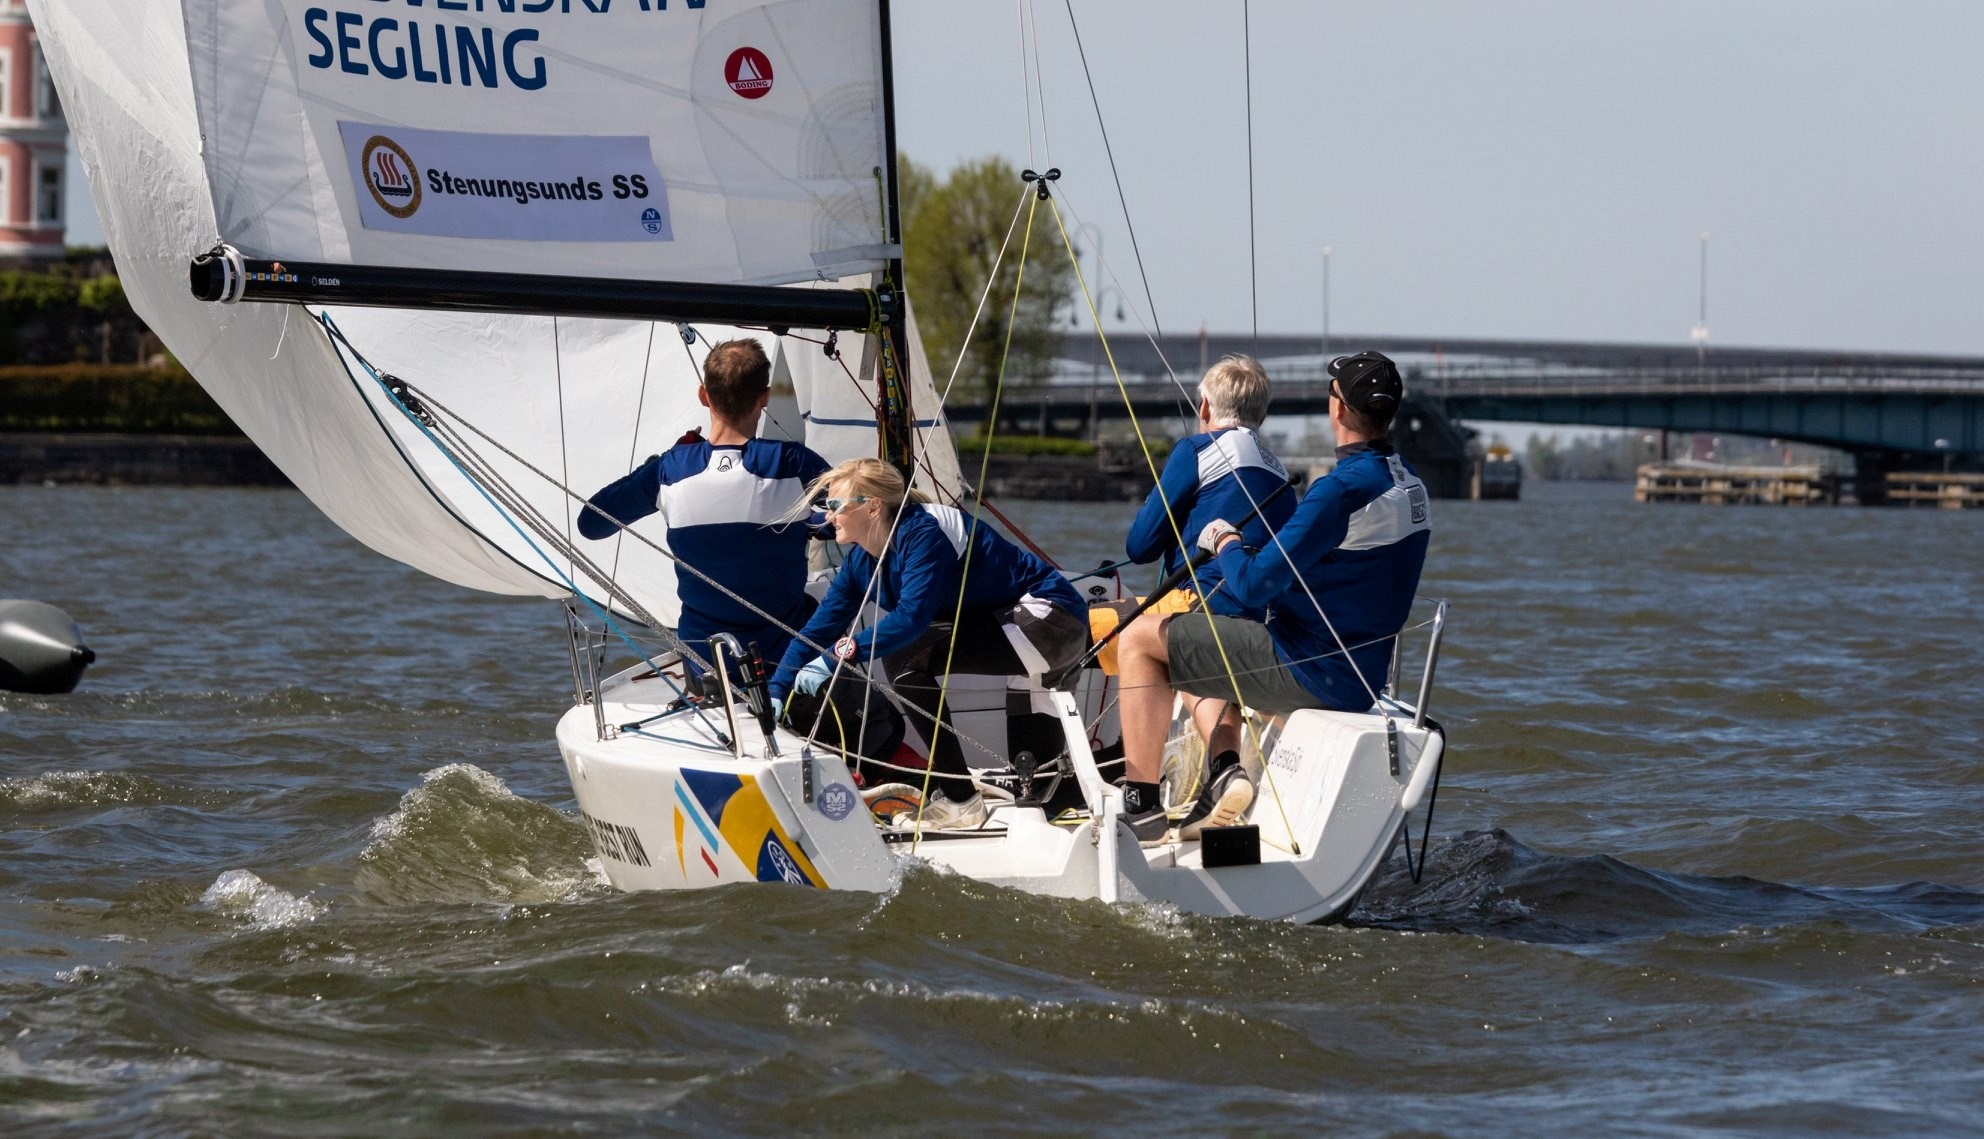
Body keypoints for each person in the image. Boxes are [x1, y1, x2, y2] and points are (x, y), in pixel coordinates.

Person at [1113, 350, 1431, 842]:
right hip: (1363, 675)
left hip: (1307, 666)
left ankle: (1141, 810)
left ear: (1338, 410)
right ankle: (1219, 778)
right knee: (1203, 632)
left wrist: (1225, 541)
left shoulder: (1338, 491)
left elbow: (1251, 583)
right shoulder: (1411, 487)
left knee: (1137, 640)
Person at [768, 458, 1088, 830]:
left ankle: (960, 800)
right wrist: (777, 689)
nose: (828, 516)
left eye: (836, 506)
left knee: (905, 654)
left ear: (872, 506)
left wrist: (841, 655)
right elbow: (818, 631)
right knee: (1036, 799)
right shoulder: (860, 563)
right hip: (1009, 625)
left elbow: (911, 619)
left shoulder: (922, 533)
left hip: (1051, 621)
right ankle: (1041, 807)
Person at [576, 338, 830, 678]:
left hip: (707, 666)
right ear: (765, 396)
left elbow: (591, 524)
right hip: (782, 662)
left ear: (703, 395)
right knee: (836, 588)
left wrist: (653, 467)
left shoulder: (669, 470)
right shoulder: (794, 464)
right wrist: (810, 522)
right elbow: (852, 517)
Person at [1123, 354, 1295, 619]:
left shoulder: (1195, 450)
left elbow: (1140, 548)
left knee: (1084, 622)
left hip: (1203, 605)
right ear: (1262, 418)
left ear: (1204, 408)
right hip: (1267, 619)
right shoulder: (1283, 475)